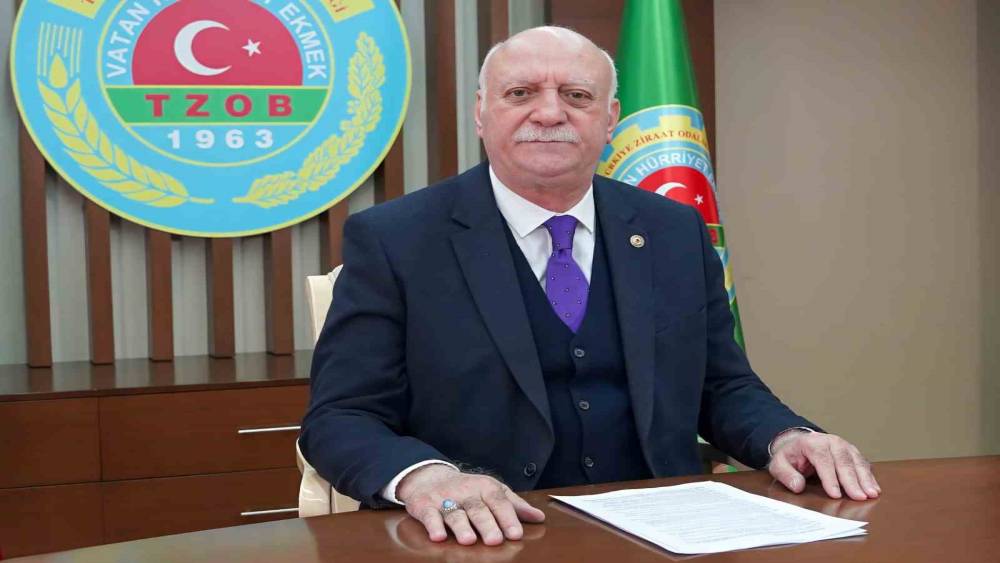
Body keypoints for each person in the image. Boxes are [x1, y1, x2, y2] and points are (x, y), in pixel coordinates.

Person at [301, 26, 879, 547]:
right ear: (481, 113)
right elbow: (341, 417)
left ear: (610, 118)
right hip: (484, 537)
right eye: (520, 93)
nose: (550, 112)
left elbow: (720, 384)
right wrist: (429, 479)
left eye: (577, 96)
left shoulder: (674, 230)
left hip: (666, 529)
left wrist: (786, 436)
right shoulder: (395, 239)